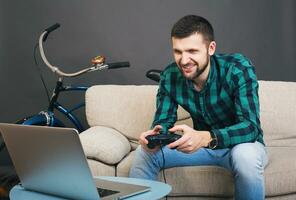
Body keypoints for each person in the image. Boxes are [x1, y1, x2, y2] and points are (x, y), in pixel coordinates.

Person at [129, 15, 268, 200]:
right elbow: (163, 121)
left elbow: (250, 127)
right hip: (202, 148)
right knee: (143, 153)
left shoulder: (238, 69)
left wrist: (206, 137)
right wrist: (155, 136)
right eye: (178, 51)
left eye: (192, 51)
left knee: (246, 157)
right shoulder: (170, 76)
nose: (184, 60)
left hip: (241, 145)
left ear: (211, 48)